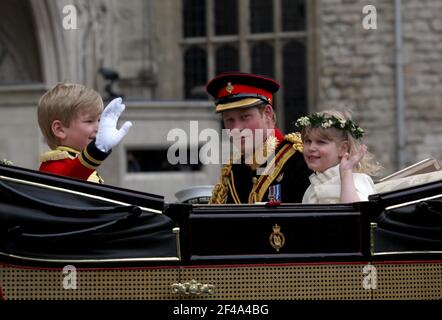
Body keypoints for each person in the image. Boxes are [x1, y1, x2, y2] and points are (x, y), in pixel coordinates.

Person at [206, 72, 312, 204]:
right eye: (229, 120)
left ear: (267, 113)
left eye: (245, 117)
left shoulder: (301, 159)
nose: (236, 129)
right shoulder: (232, 170)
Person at [37, 83, 132, 183]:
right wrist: (97, 150)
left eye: (99, 120)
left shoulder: (82, 164)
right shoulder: (53, 165)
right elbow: (69, 182)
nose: (99, 128)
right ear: (60, 129)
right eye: (89, 121)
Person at [295, 109, 382, 204]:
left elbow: (356, 215)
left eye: (321, 142)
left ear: (342, 148)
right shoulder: (311, 189)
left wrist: (346, 173)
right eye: (308, 141)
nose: (311, 148)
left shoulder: (357, 181)